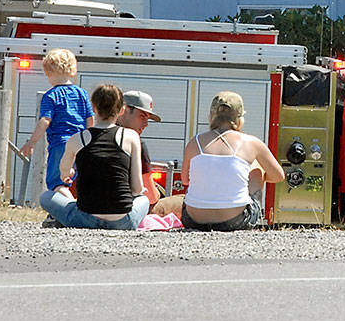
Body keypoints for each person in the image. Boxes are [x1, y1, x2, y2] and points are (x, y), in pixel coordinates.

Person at [38, 84, 150, 230]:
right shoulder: (130, 137)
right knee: (144, 199)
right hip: (122, 220)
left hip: (85, 218)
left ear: (94, 108)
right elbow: (137, 188)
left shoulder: (76, 139)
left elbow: (63, 173)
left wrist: (69, 174)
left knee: (46, 197)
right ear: (122, 110)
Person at [181, 91, 285, 231]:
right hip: (234, 220)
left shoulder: (195, 141)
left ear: (211, 116)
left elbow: (185, 181)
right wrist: (253, 177)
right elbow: (279, 176)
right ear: (239, 118)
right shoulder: (251, 142)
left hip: (193, 220)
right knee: (256, 167)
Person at [18, 49, 94, 191]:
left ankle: (66, 208)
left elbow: (45, 120)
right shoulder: (81, 93)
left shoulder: (51, 95)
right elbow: (90, 119)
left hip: (60, 143)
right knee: (75, 180)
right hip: (80, 143)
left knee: (56, 182)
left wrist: (32, 142)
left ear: (48, 71)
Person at [117, 90, 162, 206]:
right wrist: (157, 193)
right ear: (124, 110)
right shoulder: (137, 144)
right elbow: (151, 197)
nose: (146, 124)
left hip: (86, 213)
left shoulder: (90, 135)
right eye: (142, 116)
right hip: (122, 215)